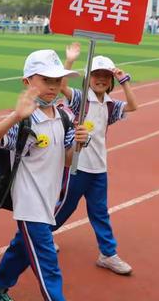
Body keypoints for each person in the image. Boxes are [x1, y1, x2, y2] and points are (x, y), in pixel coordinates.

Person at [0, 49, 89, 301]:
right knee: (47, 262)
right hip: (29, 201)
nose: (53, 86)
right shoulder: (25, 119)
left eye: (57, 80)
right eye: (46, 79)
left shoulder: (64, 116)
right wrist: (16, 115)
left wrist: (79, 143)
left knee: (21, 248)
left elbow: (67, 159)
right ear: (27, 81)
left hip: (49, 198)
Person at [54, 43, 138, 275]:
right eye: (96, 75)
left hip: (99, 167)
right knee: (64, 207)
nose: (100, 80)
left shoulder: (110, 105)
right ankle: (42, 235)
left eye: (105, 76)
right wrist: (69, 60)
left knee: (99, 211)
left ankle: (108, 254)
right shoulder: (81, 99)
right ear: (88, 78)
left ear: (110, 80)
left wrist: (125, 81)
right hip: (77, 167)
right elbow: (62, 86)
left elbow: (132, 106)